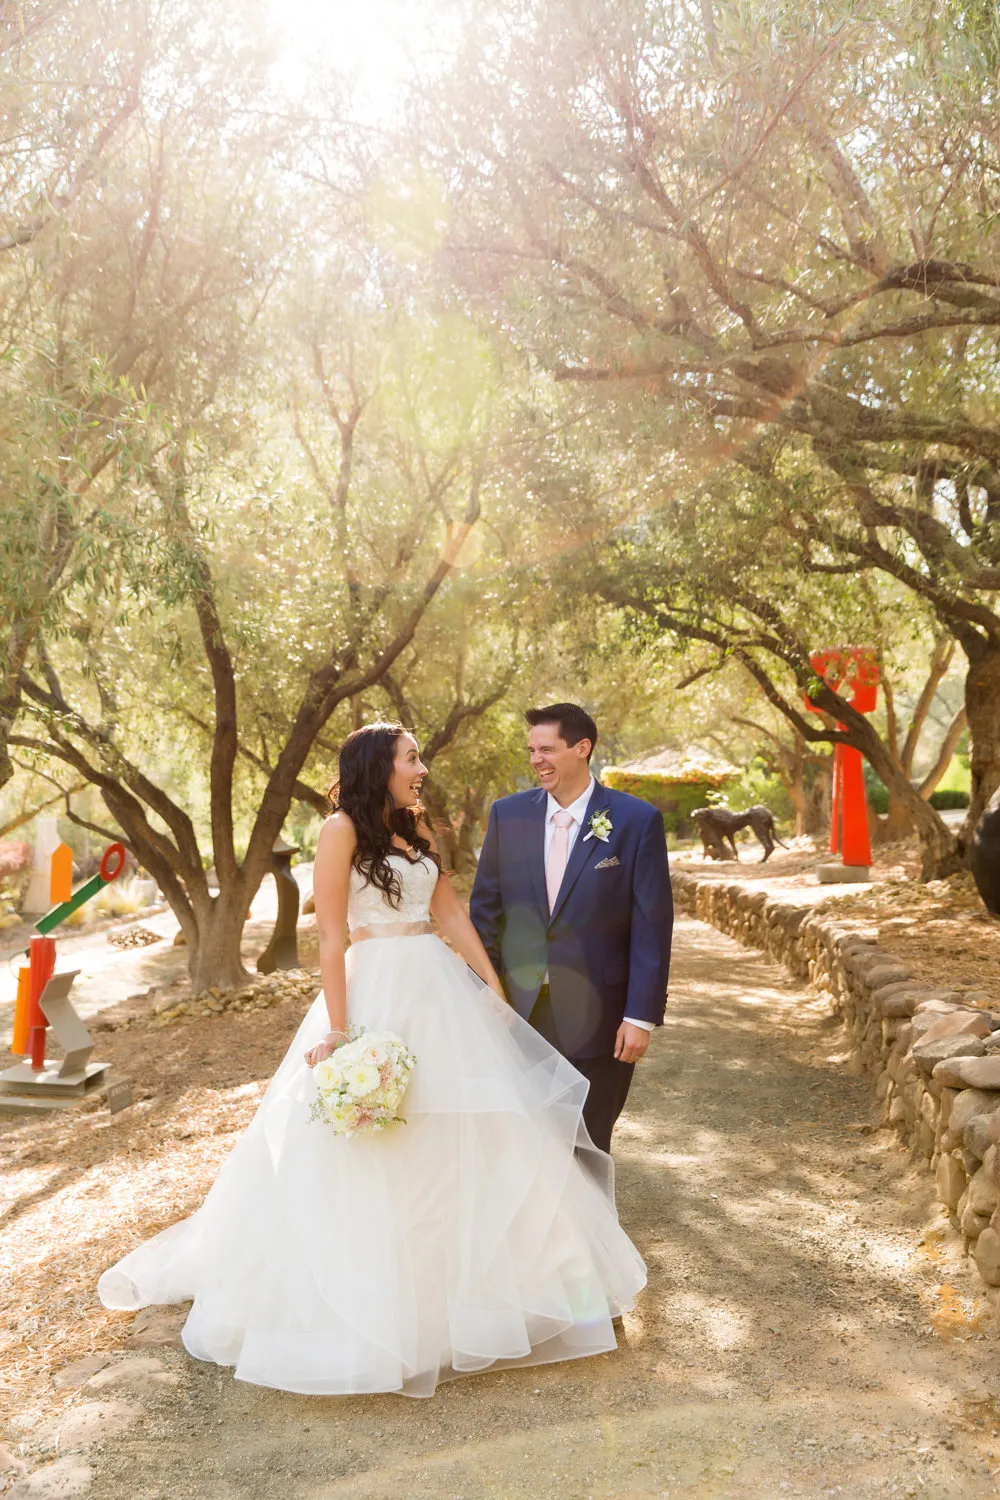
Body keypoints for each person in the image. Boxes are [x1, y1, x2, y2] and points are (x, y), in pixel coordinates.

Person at [97, 722, 646, 1397]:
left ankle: (501, 1294)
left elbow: (451, 916)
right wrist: (341, 1030)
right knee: (381, 1134)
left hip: (438, 987)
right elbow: (331, 937)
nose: (422, 769)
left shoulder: (417, 827)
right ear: (378, 766)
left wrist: (492, 988)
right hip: (376, 990)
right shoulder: (339, 832)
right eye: (411, 758)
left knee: (471, 1130)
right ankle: (389, 1310)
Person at [470, 703, 673, 1155]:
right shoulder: (507, 816)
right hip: (519, 1013)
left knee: (588, 1146)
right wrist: (484, 992)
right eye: (532, 750)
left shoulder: (636, 821)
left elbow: (652, 926)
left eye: (547, 749)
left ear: (582, 748)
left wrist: (639, 1017)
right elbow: (485, 914)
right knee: (526, 1146)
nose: (536, 760)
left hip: (602, 1016)